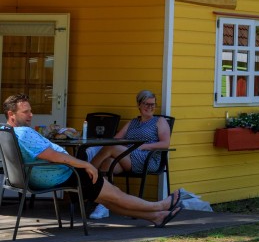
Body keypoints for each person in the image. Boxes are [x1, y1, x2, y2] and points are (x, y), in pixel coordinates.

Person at [3, 94, 182, 227]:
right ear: (11, 114)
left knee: (108, 198)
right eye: (26, 112)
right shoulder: (24, 132)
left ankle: (155, 217)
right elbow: (54, 156)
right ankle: (158, 205)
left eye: (30, 111)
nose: (31, 115)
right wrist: (85, 164)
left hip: (44, 175)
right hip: (64, 175)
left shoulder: (6, 130)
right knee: (115, 195)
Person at [91, 90, 171, 176]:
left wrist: (144, 146)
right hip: (128, 156)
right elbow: (115, 140)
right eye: (146, 104)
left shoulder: (159, 121)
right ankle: (105, 188)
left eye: (153, 104)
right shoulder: (133, 122)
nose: (150, 107)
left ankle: (84, 174)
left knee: (111, 147)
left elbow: (165, 143)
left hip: (147, 158)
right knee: (107, 163)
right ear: (139, 105)